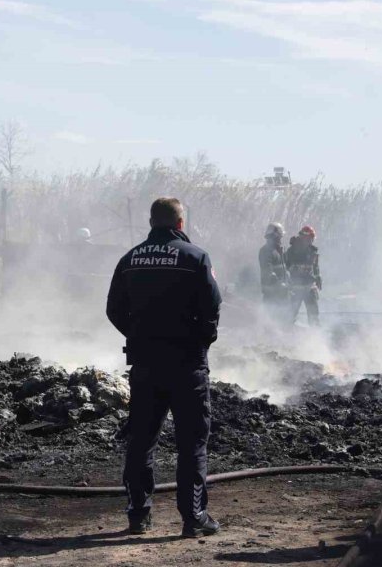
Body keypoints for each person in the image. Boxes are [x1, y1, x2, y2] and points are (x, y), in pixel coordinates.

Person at [106, 197, 222, 538]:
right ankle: (193, 517)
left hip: (145, 365)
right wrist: (201, 340)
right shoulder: (196, 257)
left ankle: (138, 517)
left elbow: (114, 309)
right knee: (192, 442)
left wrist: (139, 335)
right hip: (188, 366)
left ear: (151, 222)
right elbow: (212, 306)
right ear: (180, 224)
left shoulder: (130, 260)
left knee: (141, 440)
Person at [286, 225, 321, 326]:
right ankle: (285, 334)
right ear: (303, 237)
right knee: (291, 314)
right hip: (296, 288)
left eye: (311, 239)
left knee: (313, 314)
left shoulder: (313, 251)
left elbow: (315, 266)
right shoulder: (291, 251)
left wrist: (318, 276)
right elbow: (286, 267)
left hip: (310, 288)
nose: (310, 241)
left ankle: (315, 336)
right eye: (309, 238)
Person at [258, 223, 288, 315]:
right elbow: (268, 270)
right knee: (270, 316)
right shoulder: (266, 250)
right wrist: (279, 284)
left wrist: (288, 280)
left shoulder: (278, 250)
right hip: (272, 291)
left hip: (281, 291)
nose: (281, 239)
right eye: (280, 237)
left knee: (282, 317)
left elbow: (283, 268)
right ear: (275, 236)